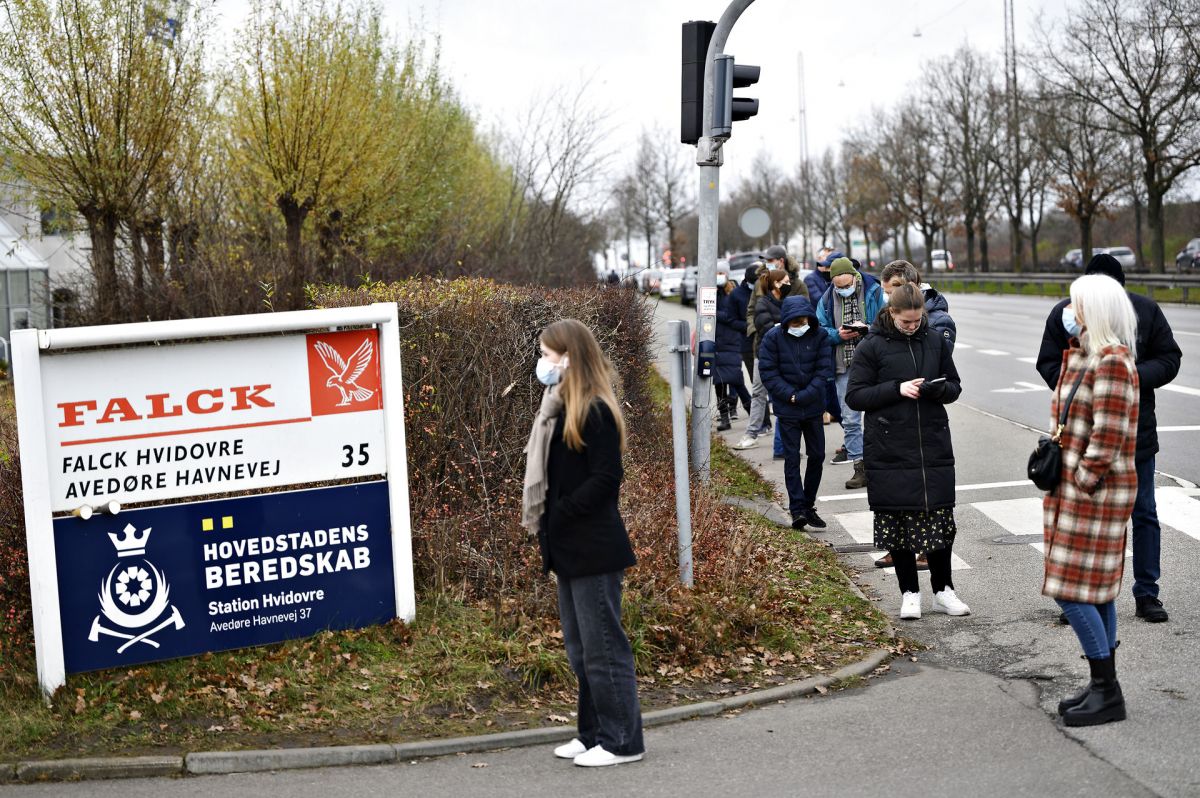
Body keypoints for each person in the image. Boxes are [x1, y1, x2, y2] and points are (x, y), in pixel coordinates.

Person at [522, 319, 644, 767]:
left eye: (548, 355)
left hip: (593, 546)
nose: (543, 363)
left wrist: (564, 511)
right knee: (580, 648)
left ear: (570, 358)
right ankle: (591, 732)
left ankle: (622, 741)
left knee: (603, 647)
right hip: (568, 548)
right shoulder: (557, 407)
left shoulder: (595, 409)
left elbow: (607, 478)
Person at [1035, 253, 1181, 623]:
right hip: (1080, 436)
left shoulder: (1143, 312)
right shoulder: (1065, 314)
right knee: (1086, 520)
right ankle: (1083, 597)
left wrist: (1130, 378)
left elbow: (1169, 358)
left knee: (1143, 513)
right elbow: (1047, 361)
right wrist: (1079, 387)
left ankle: (1147, 594)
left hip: (1136, 434)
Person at [1041, 274, 1141, 727]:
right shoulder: (1087, 354)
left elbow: (1110, 432)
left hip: (1095, 491)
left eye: (1078, 304)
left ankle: (1106, 688)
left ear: (1095, 310)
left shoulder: (1114, 361)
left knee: (1068, 588)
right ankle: (1104, 686)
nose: (1071, 310)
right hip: (1080, 488)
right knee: (1095, 589)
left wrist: (1082, 478)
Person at [846, 283, 969, 620]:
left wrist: (938, 390)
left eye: (917, 321)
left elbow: (955, 386)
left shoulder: (934, 340)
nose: (912, 327)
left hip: (931, 443)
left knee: (940, 520)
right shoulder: (872, 345)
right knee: (899, 523)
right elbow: (855, 396)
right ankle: (909, 594)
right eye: (906, 322)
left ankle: (944, 591)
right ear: (892, 314)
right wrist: (897, 389)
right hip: (890, 446)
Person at [758, 294, 833, 529]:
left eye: (804, 322)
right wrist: (790, 395)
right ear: (787, 321)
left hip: (812, 406)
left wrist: (805, 395)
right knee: (791, 459)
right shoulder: (772, 338)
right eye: (795, 323)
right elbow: (768, 372)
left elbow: (823, 370)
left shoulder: (820, 336)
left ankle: (808, 505)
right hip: (787, 408)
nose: (800, 327)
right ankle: (797, 509)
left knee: (817, 455)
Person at [816, 257, 884, 488]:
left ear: (855, 277)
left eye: (847, 285)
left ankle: (883, 463)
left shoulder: (874, 292)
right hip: (843, 365)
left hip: (874, 363)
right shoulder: (826, 298)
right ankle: (859, 467)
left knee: (881, 415)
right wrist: (837, 335)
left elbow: (888, 321)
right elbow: (819, 330)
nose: (843, 290)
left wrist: (868, 329)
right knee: (850, 418)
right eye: (839, 287)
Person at [735, 268, 790, 449]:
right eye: (786, 281)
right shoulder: (762, 303)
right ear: (776, 283)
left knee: (783, 395)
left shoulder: (789, 301)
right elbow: (766, 328)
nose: (789, 284)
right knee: (759, 393)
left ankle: (787, 439)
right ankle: (752, 433)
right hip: (764, 355)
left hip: (785, 354)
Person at [879, 260, 956, 352]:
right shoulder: (889, 313)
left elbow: (935, 361)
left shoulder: (940, 321)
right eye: (886, 293)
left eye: (892, 293)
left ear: (910, 287)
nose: (889, 299)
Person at [715, 267, 752, 430]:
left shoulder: (734, 292)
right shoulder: (709, 292)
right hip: (716, 342)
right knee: (719, 383)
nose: (718, 277)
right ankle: (724, 417)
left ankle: (756, 416)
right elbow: (701, 311)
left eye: (721, 273)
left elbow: (731, 316)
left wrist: (715, 314)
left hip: (733, 341)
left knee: (737, 380)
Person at [732, 262, 760, 391]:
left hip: (766, 341)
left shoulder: (766, 290)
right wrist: (750, 327)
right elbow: (731, 320)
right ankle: (763, 411)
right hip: (747, 344)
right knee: (756, 383)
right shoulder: (736, 294)